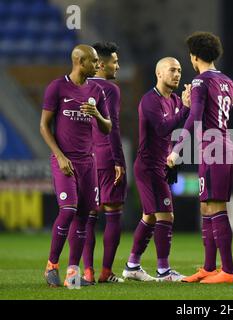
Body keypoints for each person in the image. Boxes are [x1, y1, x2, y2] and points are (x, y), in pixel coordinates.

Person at [167, 31, 233, 284]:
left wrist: (175, 150)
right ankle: (209, 267)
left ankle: (228, 270)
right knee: (206, 206)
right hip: (222, 146)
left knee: (216, 206)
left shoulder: (199, 82)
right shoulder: (227, 81)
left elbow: (194, 118)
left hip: (214, 147)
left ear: (194, 57)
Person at [41, 44, 112, 287]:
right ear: (80, 62)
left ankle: (73, 271)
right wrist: (59, 156)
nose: (98, 65)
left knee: (85, 216)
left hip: (87, 162)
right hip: (65, 161)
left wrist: (97, 115)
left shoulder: (96, 90)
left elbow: (108, 127)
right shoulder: (57, 87)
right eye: (93, 61)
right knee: (68, 210)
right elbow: (44, 126)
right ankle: (52, 265)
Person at [122, 57, 190, 282]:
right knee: (166, 216)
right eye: (172, 70)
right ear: (159, 74)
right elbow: (162, 128)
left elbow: (185, 123)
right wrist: (186, 109)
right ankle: (163, 272)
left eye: (179, 70)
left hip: (161, 165)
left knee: (150, 217)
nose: (177, 74)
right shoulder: (150, 100)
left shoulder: (176, 100)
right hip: (148, 166)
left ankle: (132, 265)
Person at [79, 41, 126, 284]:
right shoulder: (110, 89)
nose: (118, 66)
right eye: (115, 62)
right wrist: (119, 159)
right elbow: (113, 127)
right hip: (107, 155)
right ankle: (106, 272)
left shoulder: (77, 85)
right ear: (101, 64)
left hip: (85, 158)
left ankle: (87, 271)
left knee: (88, 215)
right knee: (113, 213)